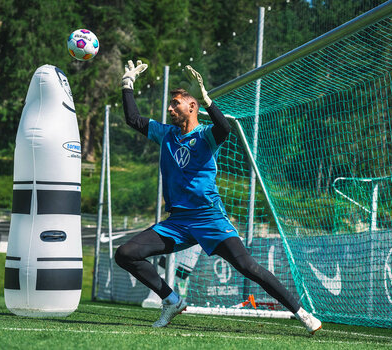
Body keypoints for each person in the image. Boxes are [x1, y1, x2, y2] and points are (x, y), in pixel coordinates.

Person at [115, 60, 322, 334]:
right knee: (126, 254)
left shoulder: (206, 135)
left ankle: (301, 313)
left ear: (192, 107)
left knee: (248, 266)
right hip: (177, 222)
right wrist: (127, 84)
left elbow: (224, 128)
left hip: (208, 218)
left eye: (175, 103)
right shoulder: (166, 134)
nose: (169, 108)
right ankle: (172, 300)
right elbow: (133, 119)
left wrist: (208, 99)